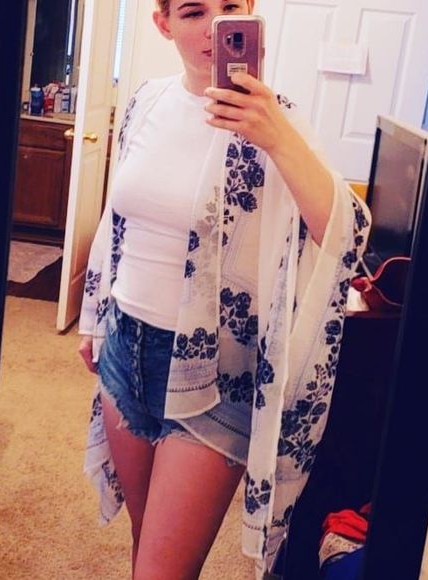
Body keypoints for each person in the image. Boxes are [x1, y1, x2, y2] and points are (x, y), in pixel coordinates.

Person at [77, 1, 371, 578]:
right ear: (163, 24)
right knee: (146, 538)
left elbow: (347, 236)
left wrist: (277, 138)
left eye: (229, 7)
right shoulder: (147, 101)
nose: (214, 27)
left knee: (162, 570)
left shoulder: (276, 118)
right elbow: (117, 221)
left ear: (251, 12)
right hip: (125, 351)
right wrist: (94, 317)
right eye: (193, 11)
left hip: (215, 374)